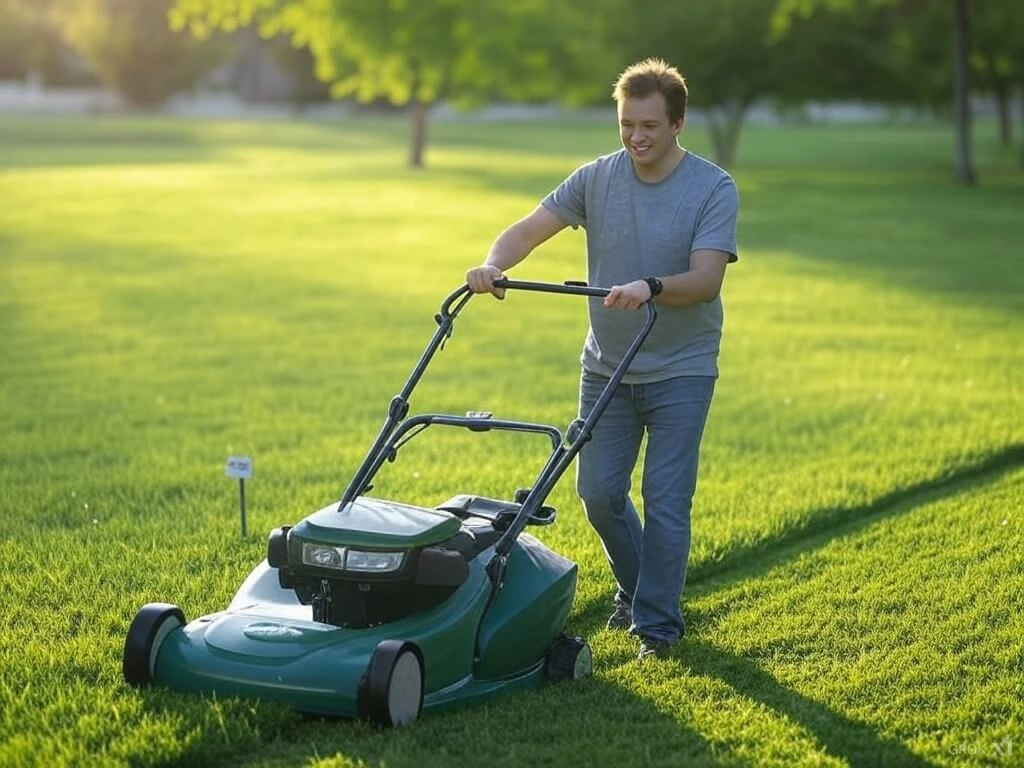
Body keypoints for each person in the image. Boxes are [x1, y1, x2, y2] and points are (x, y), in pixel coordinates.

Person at [465, 58, 739, 661]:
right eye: (626, 124)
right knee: (598, 493)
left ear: (678, 123)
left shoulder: (712, 187)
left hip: (681, 368)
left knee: (667, 499)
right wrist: (493, 264)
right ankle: (639, 591)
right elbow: (529, 229)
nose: (636, 137)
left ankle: (658, 628)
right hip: (607, 368)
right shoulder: (597, 179)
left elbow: (707, 280)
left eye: (649, 125)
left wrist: (650, 286)